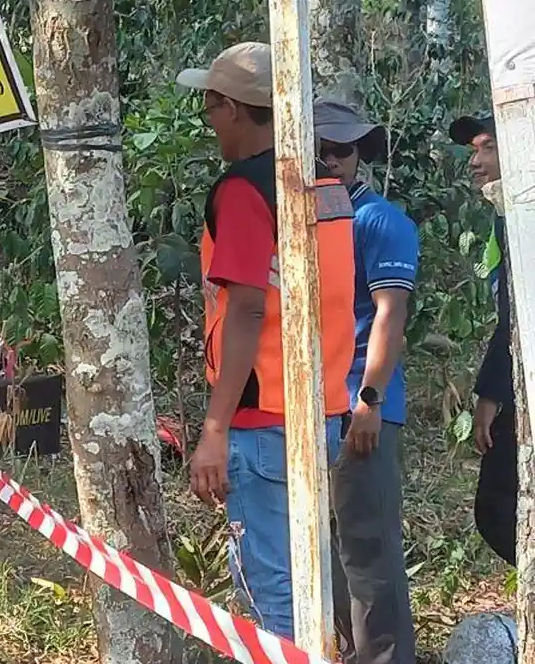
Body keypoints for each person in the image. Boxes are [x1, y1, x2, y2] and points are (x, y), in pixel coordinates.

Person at [177, 42, 357, 639]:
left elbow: (248, 307)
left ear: (231, 108)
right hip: (322, 409)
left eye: (210, 107)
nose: (209, 120)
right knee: (311, 584)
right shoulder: (324, 184)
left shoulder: (244, 190)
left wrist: (215, 428)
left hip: (262, 422)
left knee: (271, 594)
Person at [315, 101, 418, 664]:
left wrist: (370, 400)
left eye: (341, 149)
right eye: (321, 149)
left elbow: (389, 314)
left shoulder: (377, 220)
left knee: (368, 549)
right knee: (324, 550)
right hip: (313, 405)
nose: (330, 160)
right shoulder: (305, 217)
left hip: (361, 402)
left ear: (360, 155)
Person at [450, 113, 516, 567]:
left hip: (518, 379)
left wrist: (491, 391)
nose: (475, 161)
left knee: (498, 509)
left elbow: (520, 311)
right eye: (473, 150)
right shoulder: (503, 215)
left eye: (486, 148)